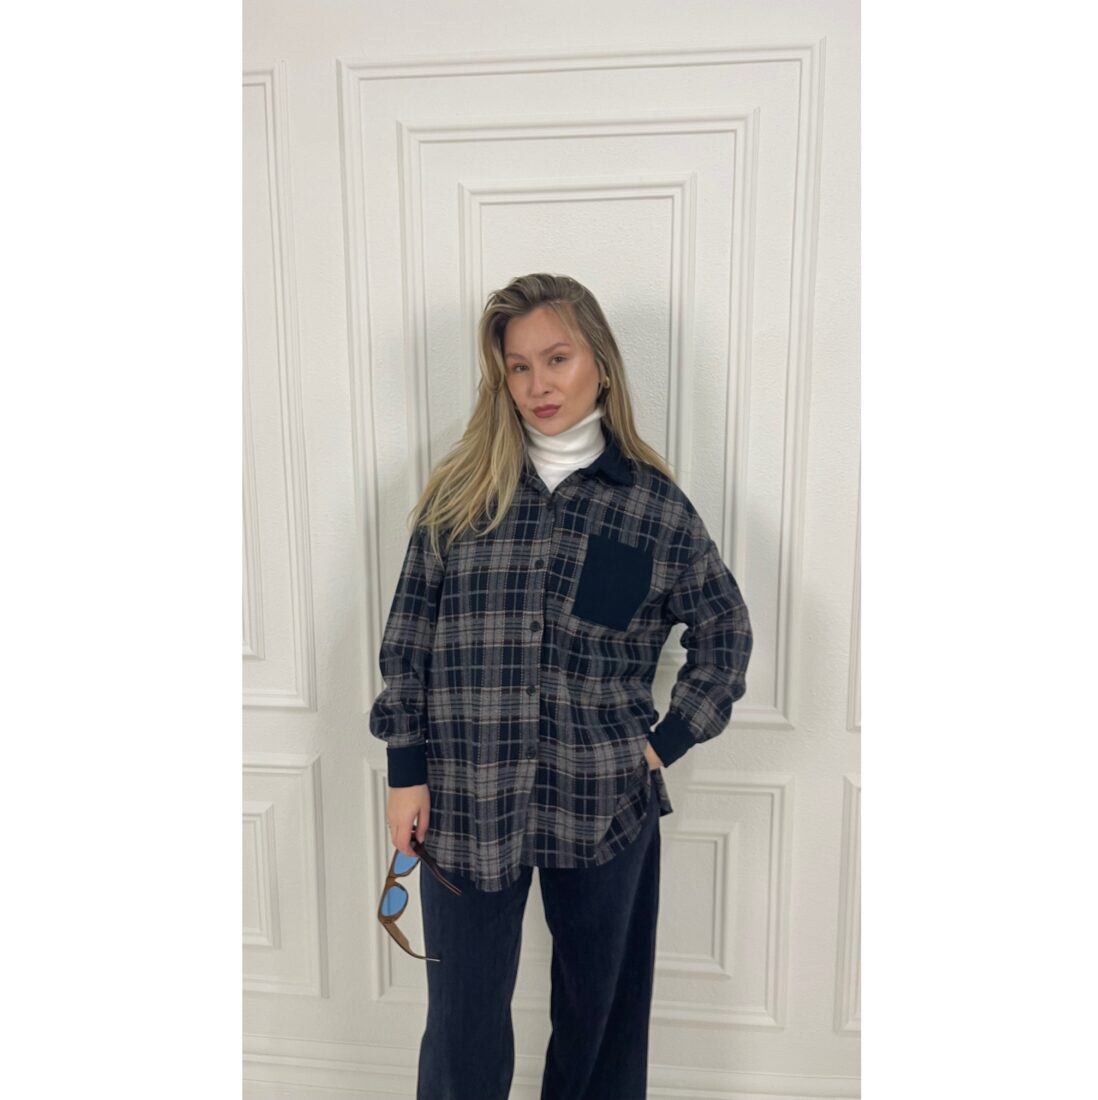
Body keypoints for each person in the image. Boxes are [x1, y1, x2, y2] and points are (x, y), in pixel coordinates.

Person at [369, 273, 753, 1100]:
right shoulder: (460, 497)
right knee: (463, 1021)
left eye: (557, 358)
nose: (538, 384)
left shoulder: (655, 510)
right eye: (518, 367)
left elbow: (725, 635)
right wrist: (406, 772)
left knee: (599, 1018)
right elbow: (407, 639)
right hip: (467, 797)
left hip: (605, 799)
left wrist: (662, 744)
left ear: (600, 364)